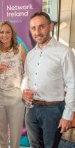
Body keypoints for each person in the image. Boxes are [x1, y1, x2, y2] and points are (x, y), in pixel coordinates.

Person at [22, 11, 75, 148]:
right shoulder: (30, 55)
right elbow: (26, 77)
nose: (37, 32)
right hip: (31, 109)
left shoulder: (64, 52)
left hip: (53, 110)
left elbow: (72, 84)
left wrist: (68, 115)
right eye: (33, 28)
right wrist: (23, 91)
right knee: (34, 145)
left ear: (50, 26)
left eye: (42, 26)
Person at [0, 21, 26, 148]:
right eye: (1, 32)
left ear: (12, 34)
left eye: (7, 32)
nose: (4, 35)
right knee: (1, 129)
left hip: (16, 95)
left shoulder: (20, 49)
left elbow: (27, 73)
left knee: (16, 130)